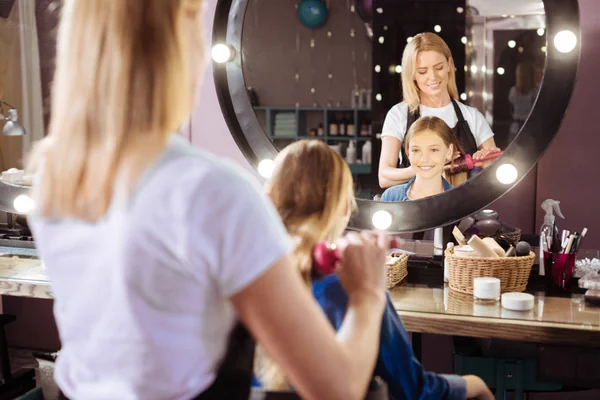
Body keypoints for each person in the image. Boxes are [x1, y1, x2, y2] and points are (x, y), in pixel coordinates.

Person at [25, 1, 393, 399]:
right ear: (172, 45)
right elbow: (336, 389)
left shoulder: (54, 172)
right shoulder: (210, 191)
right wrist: (368, 294)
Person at [255, 139, 494, 400]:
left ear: (269, 199)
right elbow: (412, 391)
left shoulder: (246, 283)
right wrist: (473, 384)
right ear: (346, 208)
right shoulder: (351, 285)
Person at [379, 32, 500, 191]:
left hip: (464, 209)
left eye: (439, 67)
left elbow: (496, 171)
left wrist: (487, 165)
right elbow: (384, 177)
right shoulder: (399, 115)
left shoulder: (472, 117)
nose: (433, 77)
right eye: (423, 71)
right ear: (413, 74)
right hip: (415, 210)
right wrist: (431, 167)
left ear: (449, 64)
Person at [380, 116, 467, 202]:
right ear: (408, 152)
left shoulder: (460, 200)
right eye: (416, 150)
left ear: (449, 151)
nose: (424, 159)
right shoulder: (391, 197)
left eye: (434, 150)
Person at [508, 61, 538, 141]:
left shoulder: (513, 91)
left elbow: (511, 109)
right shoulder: (535, 91)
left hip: (519, 126)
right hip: (527, 127)